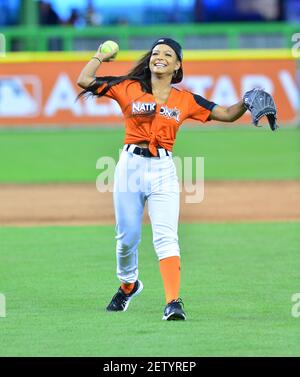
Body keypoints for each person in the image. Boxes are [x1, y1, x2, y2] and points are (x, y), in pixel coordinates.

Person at [77, 38, 247, 321]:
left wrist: (248, 101)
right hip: (129, 168)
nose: (160, 57)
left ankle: (173, 302)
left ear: (177, 65)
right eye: (156, 53)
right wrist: (99, 57)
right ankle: (128, 285)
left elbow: (227, 114)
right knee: (127, 238)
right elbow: (84, 81)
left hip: (163, 170)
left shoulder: (186, 99)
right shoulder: (127, 87)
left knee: (167, 237)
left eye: (168, 54)